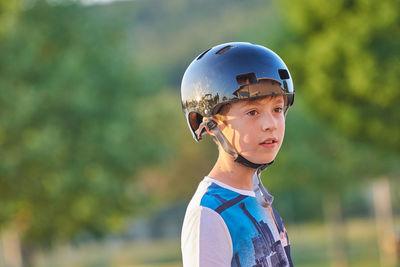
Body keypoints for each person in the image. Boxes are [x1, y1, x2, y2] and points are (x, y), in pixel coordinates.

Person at [180, 42, 295, 267]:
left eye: (277, 109)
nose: (270, 124)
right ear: (212, 125)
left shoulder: (258, 196)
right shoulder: (210, 213)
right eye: (252, 112)